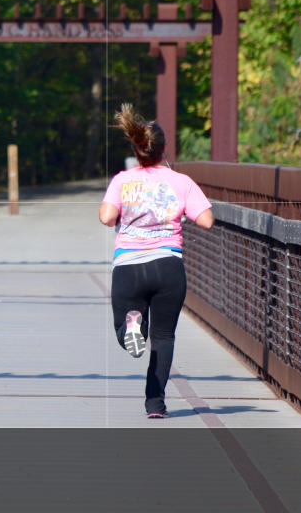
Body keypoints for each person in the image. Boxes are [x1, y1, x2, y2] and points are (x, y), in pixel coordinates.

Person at [99, 103, 213, 418]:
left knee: (125, 328)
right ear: (163, 150)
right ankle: (156, 404)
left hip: (129, 266)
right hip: (168, 266)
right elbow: (206, 220)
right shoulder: (182, 181)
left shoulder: (122, 180)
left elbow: (106, 217)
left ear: (136, 150)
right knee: (163, 337)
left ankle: (132, 326)